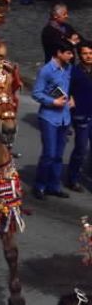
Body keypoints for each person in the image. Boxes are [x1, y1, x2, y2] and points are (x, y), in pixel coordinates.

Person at [32, 42, 74, 200]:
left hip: (64, 117)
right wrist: (52, 102)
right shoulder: (46, 70)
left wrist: (72, 98)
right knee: (49, 154)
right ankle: (40, 185)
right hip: (49, 117)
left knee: (58, 154)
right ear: (59, 52)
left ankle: (54, 186)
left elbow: (69, 88)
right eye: (69, 53)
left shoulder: (68, 68)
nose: (71, 56)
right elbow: (36, 93)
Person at [66, 41, 92, 192]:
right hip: (81, 115)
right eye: (85, 53)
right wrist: (69, 97)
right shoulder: (74, 72)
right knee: (81, 148)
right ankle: (72, 178)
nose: (88, 56)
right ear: (80, 55)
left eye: (90, 53)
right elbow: (59, 88)